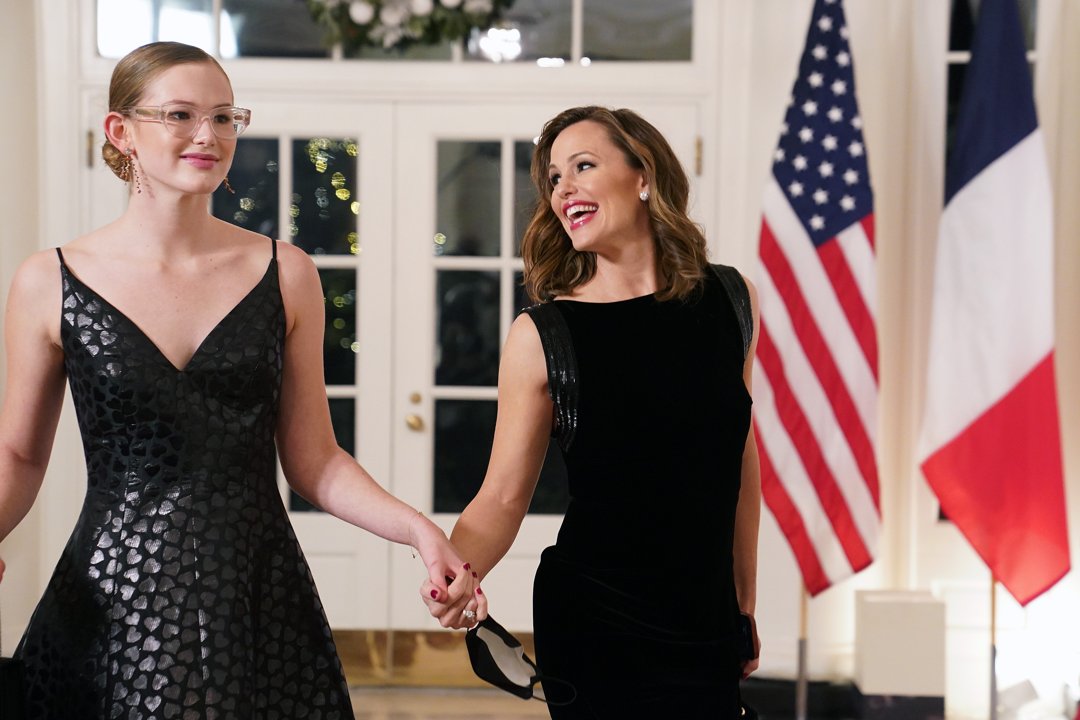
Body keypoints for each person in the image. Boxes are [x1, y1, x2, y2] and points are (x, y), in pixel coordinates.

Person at [0, 41, 483, 718]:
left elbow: (316, 462)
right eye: (180, 114)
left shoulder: (288, 274)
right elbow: (18, 455)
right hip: (113, 594)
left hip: (256, 594)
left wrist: (418, 531)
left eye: (225, 117)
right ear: (121, 131)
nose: (208, 135)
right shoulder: (48, 279)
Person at [422, 106, 762, 718]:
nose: (563, 189)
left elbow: (739, 462)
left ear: (643, 176)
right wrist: (457, 573)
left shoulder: (732, 300)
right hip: (596, 620)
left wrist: (744, 601)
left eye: (583, 166)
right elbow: (502, 497)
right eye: (553, 178)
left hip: (704, 616)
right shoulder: (545, 334)